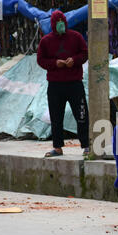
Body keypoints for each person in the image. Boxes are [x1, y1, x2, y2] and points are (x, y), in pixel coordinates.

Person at [37, 10, 90, 157]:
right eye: (57, 22)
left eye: (62, 22)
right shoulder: (46, 41)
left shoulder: (76, 36)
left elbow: (84, 53)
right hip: (55, 85)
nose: (61, 25)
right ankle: (58, 147)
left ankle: (86, 145)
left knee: (82, 114)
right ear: (53, 24)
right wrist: (55, 63)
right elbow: (41, 60)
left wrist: (74, 60)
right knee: (56, 117)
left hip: (75, 83)